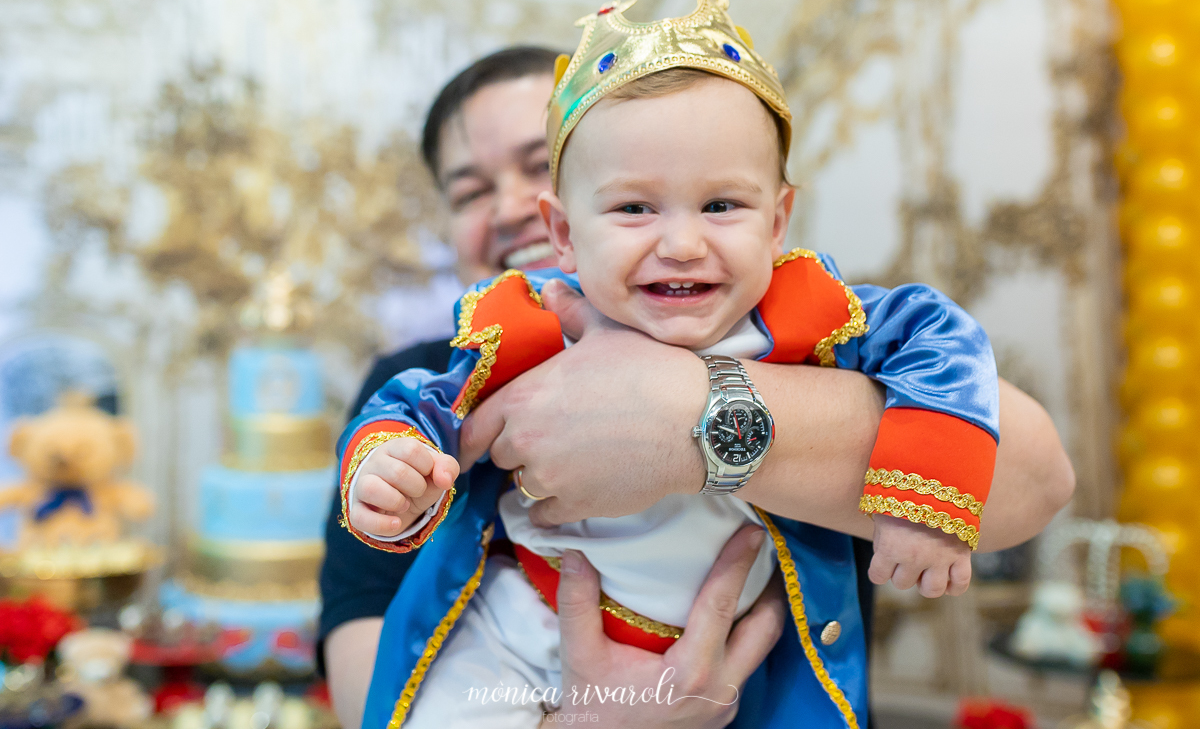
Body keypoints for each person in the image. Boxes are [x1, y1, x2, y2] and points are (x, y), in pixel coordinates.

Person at [319, 43, 1074, 727]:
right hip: (531, 652)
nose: (680, 242)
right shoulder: (485, 345)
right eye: (471, 190)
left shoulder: (809, 324)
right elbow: (373, 682)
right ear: (566, 226)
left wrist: (689, 413)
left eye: (535, 159)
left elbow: (1036, 476)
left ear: (776, 221)